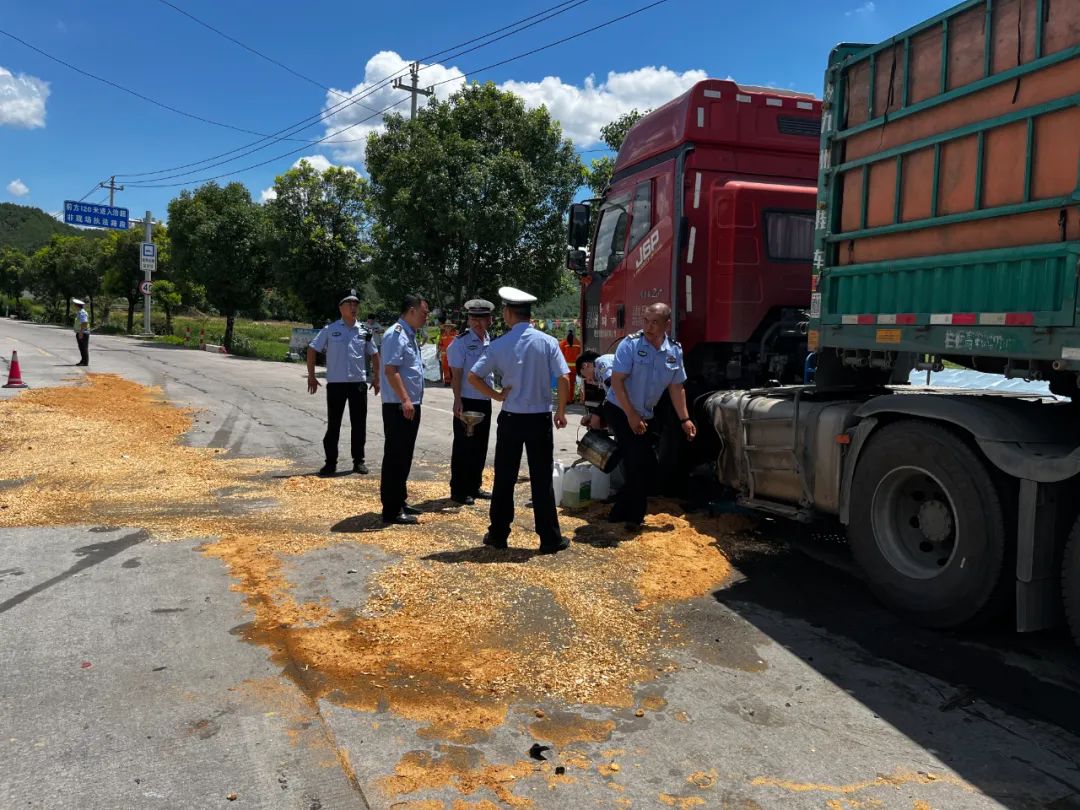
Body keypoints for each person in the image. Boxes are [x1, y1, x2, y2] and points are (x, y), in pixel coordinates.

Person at [467, 287, 571, 554]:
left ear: (508, 313)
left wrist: (497, 395)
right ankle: (549, 538)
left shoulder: (499, 344)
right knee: (541, 478)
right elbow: (564, 377)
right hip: (538, 419)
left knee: (505, 477)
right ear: (528, 314)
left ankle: (499, 534)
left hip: (512, 418)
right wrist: (560, 411)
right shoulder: (547, 342)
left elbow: (473, 377)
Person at [603, 303, 697, 527]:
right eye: (645, 320)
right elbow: (617, 381)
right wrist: (631, 415)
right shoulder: (631, 345)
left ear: (667, 324)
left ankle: (618, 513)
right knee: (638, 461)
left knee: (645, 464)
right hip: (619, 408)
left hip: (645, 413)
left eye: (655, 322)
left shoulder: (674, 350)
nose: (648, 326)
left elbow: (676, 388)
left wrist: (685, 419)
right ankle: (634, 519)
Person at [306, 289, 380, 477]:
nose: (354, 307)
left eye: (356, 304)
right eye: (350, 304)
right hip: (337, 384)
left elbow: (375, 354)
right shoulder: (330, 330)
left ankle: (359, 461)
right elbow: (312, 349)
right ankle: (330, 462)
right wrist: (311, 375)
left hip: (357, 384)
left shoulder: (364, 331)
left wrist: (377, 378)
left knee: (359, 424)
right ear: (341, 308)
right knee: (334, 424)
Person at [379, 293, 430, 525]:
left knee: (405, 455)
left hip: (409, 404)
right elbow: (391, 370)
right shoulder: (395, 335)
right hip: (399, 406)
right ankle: (391, 508)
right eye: (424, 313)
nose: (426, 318)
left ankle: (400, 500)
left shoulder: (409, 335)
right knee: (396, 456)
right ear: (411, 311)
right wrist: (405, 399)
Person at [447, 299, 495, 505]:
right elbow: (456, 374)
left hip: (484, 399)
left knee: (480, 445)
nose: (477, 323)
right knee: (463, 446)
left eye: (482, 319)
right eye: (473, 318)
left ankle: (474, 485)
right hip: (467, 399)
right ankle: (459, 489)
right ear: (468, 319)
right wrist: (457, 400)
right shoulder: (461, 342)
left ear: (490, 320)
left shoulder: (488, 340)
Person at [575, 350, 615, 429]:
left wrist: (598, 414)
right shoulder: (601, 366)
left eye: (584, 376)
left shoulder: (600, 363)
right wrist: (595, 414)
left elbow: (614, 389)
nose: (587, 379)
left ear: (585, 366)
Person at [559, 328, 582, 399]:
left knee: (565, 384)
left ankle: (566, 399)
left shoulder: (563, 343)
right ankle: (570, 399)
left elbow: (559, 356)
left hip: (565, 368)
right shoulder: (578, 342)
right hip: (575, 368)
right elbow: (580, 354)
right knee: (572, 384)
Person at [72, 298, 90, 366]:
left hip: (83, 333)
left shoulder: (82, 313)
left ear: (77, 306)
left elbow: (84, 323)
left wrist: (81, 333)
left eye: (75, 305)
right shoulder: (80, 312)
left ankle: (85, 362)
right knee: (81, 347)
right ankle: (83, 360)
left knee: (83, 347)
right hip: (81, 332)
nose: (74, 306)